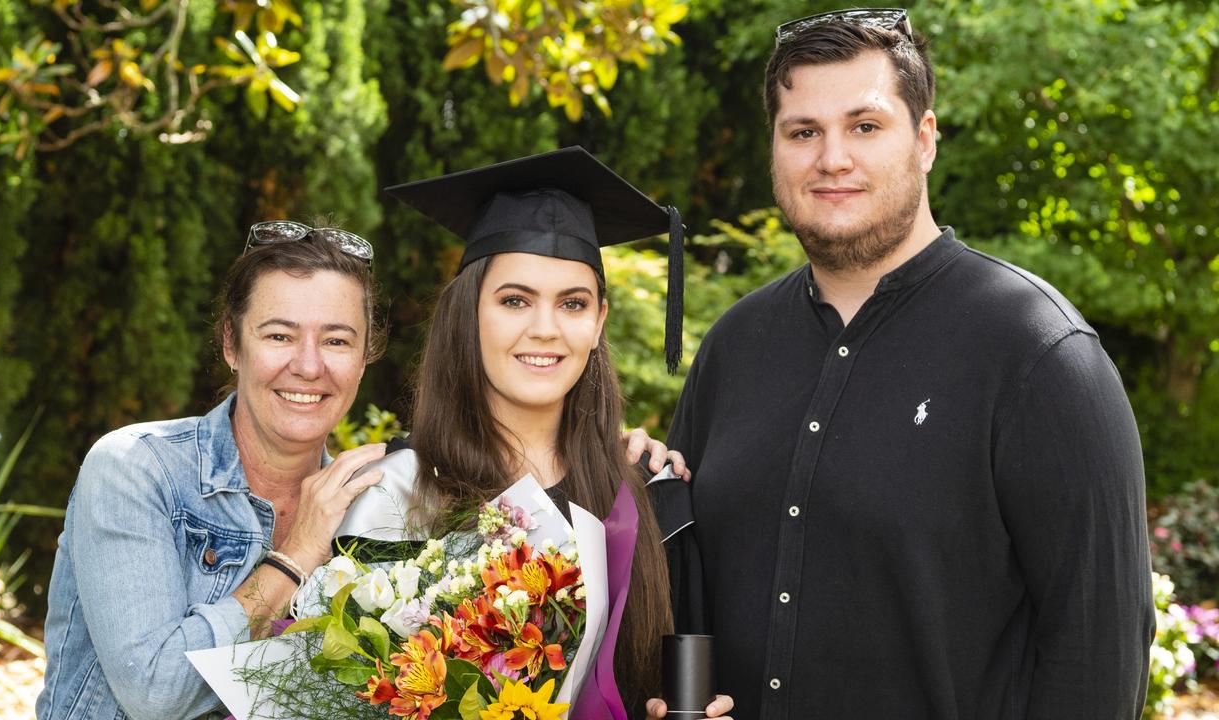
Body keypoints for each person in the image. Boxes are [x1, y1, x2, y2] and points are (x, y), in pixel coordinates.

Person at [651, 8, 1155, 719]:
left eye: (864, 126)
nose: (832, 158)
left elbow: (1097, 652)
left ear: (923, 140)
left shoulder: (1038, 354)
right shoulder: (733, 347)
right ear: (774, 150)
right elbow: (687, 587)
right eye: (803, 132)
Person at [386, 146, 733, 719]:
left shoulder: (650, 498)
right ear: (469, 314)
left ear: (598, 322)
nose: (544, 329)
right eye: (515, 300)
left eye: (572, 304)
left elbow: (686, 688)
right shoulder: (403, 493)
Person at [36, 223, 391, 720]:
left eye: (336, 341)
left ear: (364, 357)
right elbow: (156, 693)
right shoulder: (136, 469)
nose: (309, 366)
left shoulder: (372, 514)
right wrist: (297, 554)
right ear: (231, 343)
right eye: (279, 335)